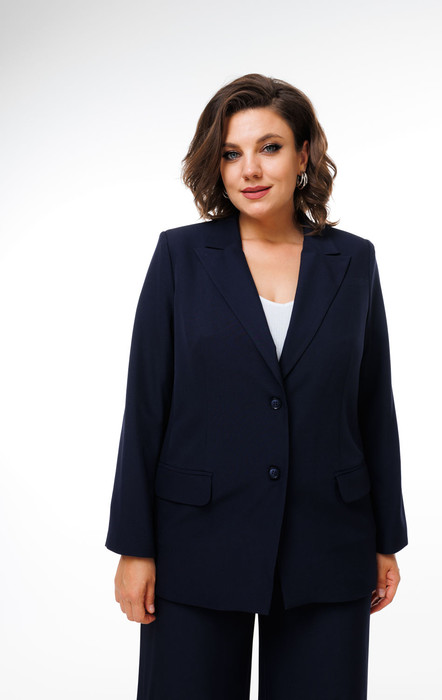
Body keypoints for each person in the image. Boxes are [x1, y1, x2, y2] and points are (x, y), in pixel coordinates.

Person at [105, 73, 408, 699]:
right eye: (231, 153)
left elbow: (373, 403)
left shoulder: (353, 261)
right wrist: (134, 548)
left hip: (329, 539)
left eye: (269, 147)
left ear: (304, 155)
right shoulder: (181, 257)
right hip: (194, 542)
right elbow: (146, 405)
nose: (250, 169)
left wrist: (386, 538)